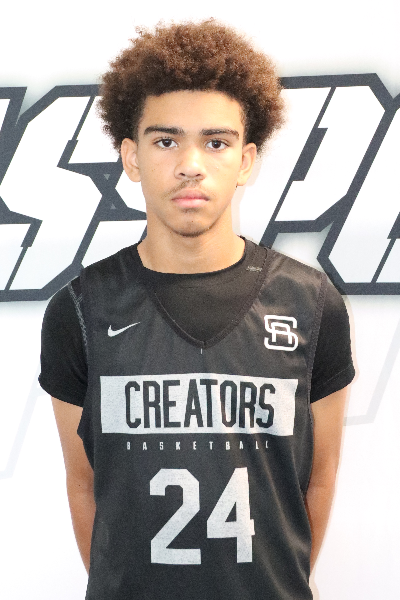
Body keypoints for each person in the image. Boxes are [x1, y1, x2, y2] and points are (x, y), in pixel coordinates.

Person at [39, 19, 355, 600]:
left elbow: (318, 476)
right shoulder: (80, 310)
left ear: (247, 159)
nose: (191, 164)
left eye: (216, 142)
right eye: (166, 141)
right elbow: (85, 484)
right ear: (131, 157)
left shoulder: (311, 304)